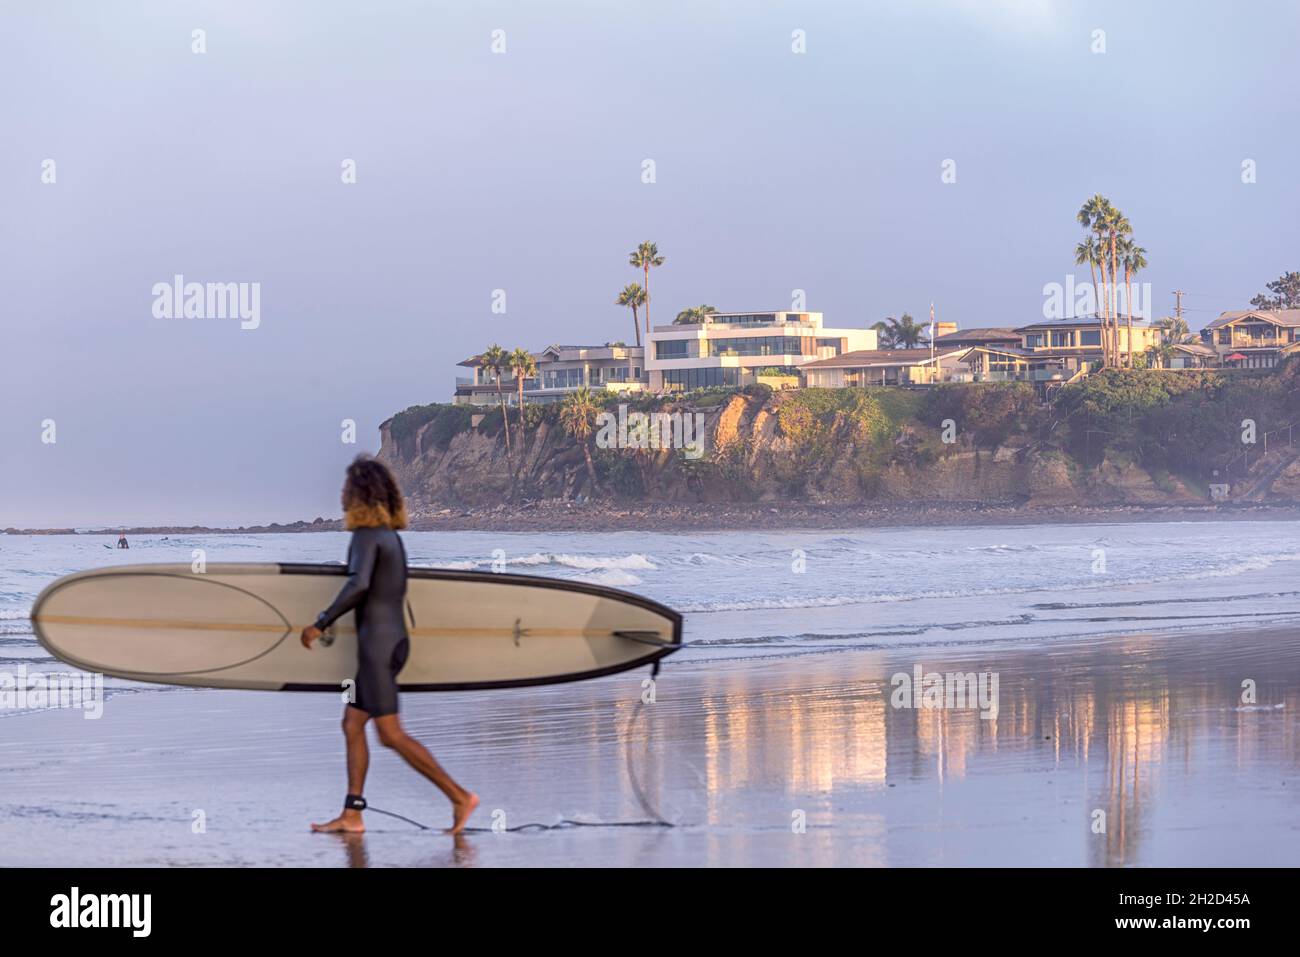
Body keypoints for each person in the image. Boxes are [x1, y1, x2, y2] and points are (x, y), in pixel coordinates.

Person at [302, 455, 478, 835]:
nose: (341, 495)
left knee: (390, 734)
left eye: (346, 488)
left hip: (378, 650)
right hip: (390, 643)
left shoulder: (366, 537)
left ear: (360, 493)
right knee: (352, 723)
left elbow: (359, 585)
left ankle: (460, 796)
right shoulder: (390, 537)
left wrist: (320, 623)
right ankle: (352, 813)